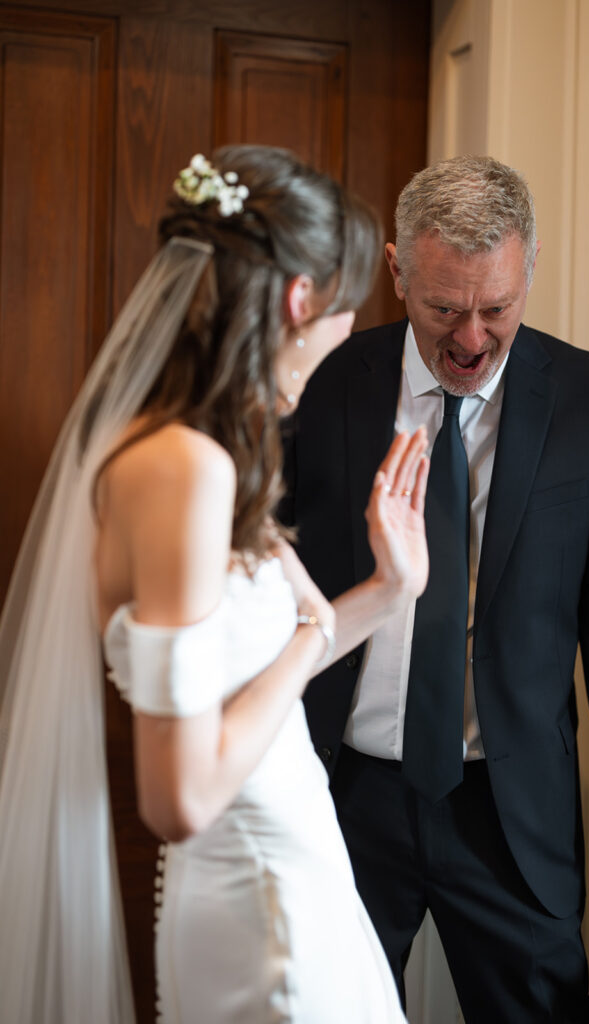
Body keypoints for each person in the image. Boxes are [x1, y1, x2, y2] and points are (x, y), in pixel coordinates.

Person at [0, 145, 432, 1024]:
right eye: (348, 305)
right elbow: (180, 796)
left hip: (296, 877)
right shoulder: (181, 469)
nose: (349, 332)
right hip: (261, 899)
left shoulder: (210, 456)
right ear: (300, 300)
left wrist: (392, 587)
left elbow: (263, 672)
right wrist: (313, 634)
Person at [284, 155, 589, 1022]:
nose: (469, 339)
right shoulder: (320, 387)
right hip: (341, 791)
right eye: (441, 308)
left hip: (511, 814)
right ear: (396, 271)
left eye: (495, 308)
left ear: (529, 268)